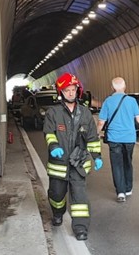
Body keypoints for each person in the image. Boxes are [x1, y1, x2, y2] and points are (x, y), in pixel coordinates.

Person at [44, 72, 102, 241]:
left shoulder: (85, 113)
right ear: (60, 92)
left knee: (80, 197)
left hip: (79, 163)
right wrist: (53, 146)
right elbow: (49, 132)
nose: (71, 93)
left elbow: (92, 137)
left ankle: (81, 228)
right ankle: (57, 212)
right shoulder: (53, 113)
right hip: (59, 163)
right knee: (56, 194)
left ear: (78, 91)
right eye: (67, 90)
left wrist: (96, 156)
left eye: (73, 89)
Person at [97, 77, 139, 202]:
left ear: (112, 88)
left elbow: (101, 122)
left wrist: (96, 133)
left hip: (114, 138)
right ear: (125, 86)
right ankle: (128, 188)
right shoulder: (132, 101)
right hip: (129, 138)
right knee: (128, 162)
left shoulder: (108, 101)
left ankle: (120, 192)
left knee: (117, 164)